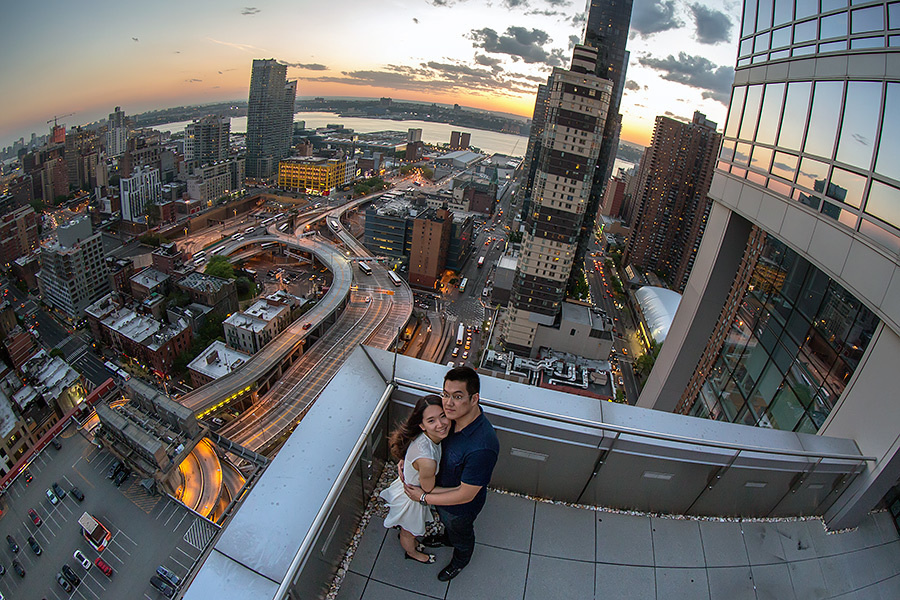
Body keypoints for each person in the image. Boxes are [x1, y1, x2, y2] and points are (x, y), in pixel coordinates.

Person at [404, 366, 499, 582]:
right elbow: (423, 439)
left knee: (461, 534)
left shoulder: (482, 445)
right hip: (440, 495)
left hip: (460, 508)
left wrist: (423, 497)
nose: (448, 403)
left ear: (474, 399)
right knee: (449, 528)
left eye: (457, 397)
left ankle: (461, 560)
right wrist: (406, 461)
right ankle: (446, 538)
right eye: (445, 394)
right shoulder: (448, 420)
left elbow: (466, 494)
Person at [380, 394, 450, 564]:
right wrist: (462, 491)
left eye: (443, 416)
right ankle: (412, 552)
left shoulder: (426, 439)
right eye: (431, 420)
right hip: (413, 499)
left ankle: (409, 542)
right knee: (408, 532)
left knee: (408, 529)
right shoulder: (427, 461)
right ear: (422, 425)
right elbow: (428, 490)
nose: (440, 424)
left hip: (410, 489)